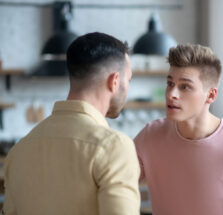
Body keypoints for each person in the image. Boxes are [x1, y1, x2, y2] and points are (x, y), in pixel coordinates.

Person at [2, 32, 140, 215]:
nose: (127, 87)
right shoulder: (114, 147)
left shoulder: (19, 151)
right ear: (114, 81)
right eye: (128, 79)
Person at [134, 44, 223, 215]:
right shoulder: (149, 136)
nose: (171, 94)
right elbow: (116, 185)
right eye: (170, 83)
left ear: (211, 95)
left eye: (185, 86)